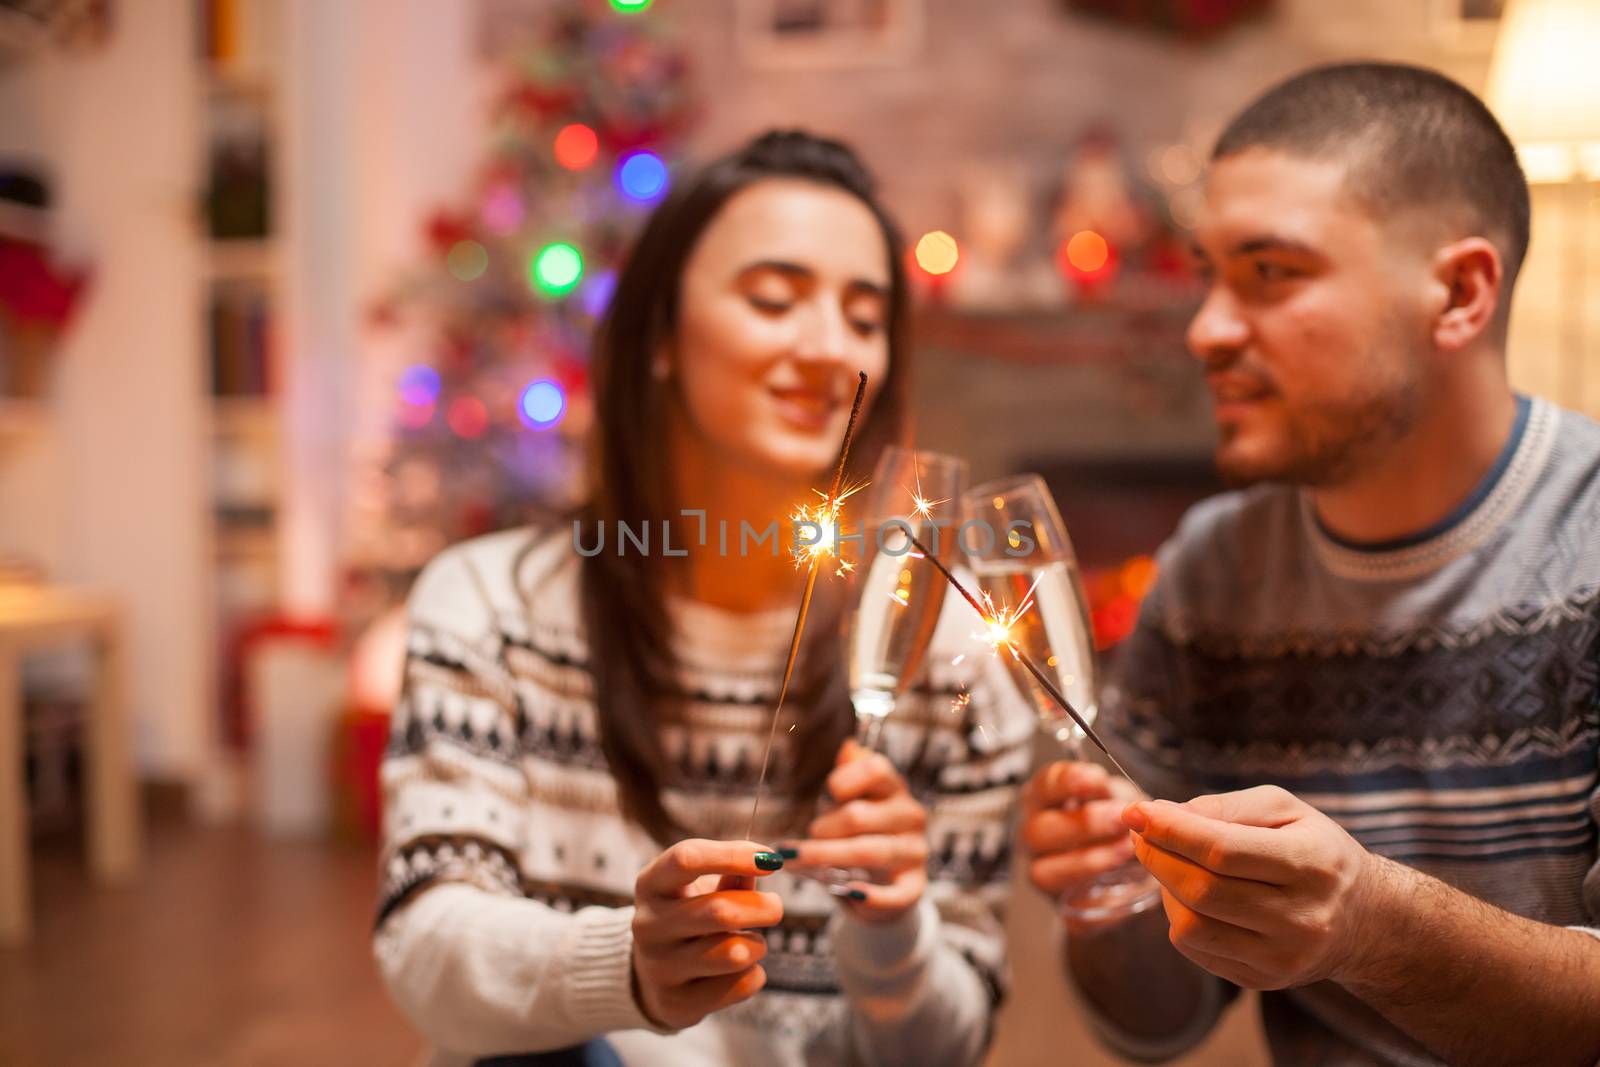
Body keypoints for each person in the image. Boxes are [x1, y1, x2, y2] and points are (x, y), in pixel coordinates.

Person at [372, 130, 1031, 1067]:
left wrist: (893, 930)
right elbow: (427, 949)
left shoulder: (946, 645)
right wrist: (630, 968)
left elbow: (947, 1045)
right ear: (658, 341)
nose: (828, 348)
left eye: (864, 314)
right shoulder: (491, 606)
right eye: (773, 298)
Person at [1022, 62, 1600, 1066]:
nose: (1205, 328)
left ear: (1459, 291)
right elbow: (1161, 1021)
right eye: (1207, 273)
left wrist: (1374, 924)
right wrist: (1103, 898)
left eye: (1271, 272)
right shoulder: (1211, 569)